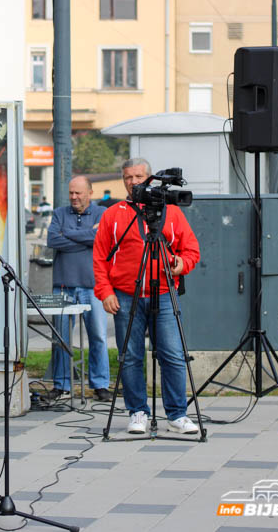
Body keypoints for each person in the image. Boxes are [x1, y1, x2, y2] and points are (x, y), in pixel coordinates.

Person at [93, 158, 201, 435]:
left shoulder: (171, 212)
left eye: (138, 176)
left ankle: (177, 415)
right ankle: (138, 412)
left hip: (164, 294)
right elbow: (100, 258)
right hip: (125, 296)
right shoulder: (112, 214)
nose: (133, 181)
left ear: (150, 178)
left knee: (174, 356)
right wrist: (105, 292)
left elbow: (191, 250)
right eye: (128, 177)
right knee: (129, 357)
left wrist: (180, 265)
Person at [46, 176, 110, 402]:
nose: (73, 197)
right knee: (60, 338)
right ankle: (61, 385)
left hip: (93, 286)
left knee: (99, 337)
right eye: (71, 193)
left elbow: (100, 237)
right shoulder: (59, 213)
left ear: (90, 193)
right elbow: (52, 240)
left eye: (78, 193)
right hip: (63, 286)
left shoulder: (101, 213)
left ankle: (100, 384)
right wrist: (86, 238)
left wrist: (68, 234)